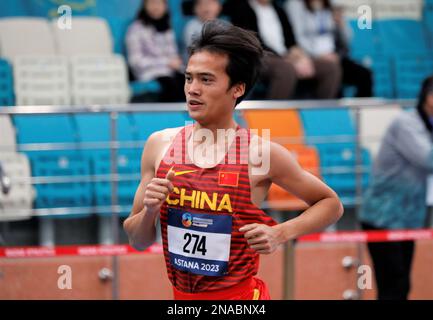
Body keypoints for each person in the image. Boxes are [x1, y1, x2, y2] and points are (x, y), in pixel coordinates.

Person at [123, 20, 343, 300]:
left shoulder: (260, 153)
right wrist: (151, 212)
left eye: (206, 79)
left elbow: (331, 204)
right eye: (189, 78)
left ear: (237, 89)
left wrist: (281, 233)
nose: (192, 89)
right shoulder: (160, 144)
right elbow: (137, 240)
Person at [359, 75, 433, 300]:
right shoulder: (406, 124)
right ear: (429, 98)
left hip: (408, 218)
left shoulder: (427, 124)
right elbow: (428, 159)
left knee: (401, 285)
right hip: (383, 217)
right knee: (394, 286)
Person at [223, 0, 341, 100]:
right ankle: (273, 117)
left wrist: (302, 58)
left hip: (286, 56)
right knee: (285, 69)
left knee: (330, 68)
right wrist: (288, 59)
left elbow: (291, 41)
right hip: (259, 56)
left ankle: (319, 115)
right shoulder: (242, 8)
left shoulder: (279, 9)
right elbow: (253, 41)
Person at [285, 0, 372, 97]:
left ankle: (358, 110)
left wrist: (341, 24)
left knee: (365, 75)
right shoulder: (295, 5)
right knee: (332, 72)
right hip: (310, 58)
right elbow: (297, 38)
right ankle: (325, 110)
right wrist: (319, 55)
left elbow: (348, 39)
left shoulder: (331, 5)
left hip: (335, 56)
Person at [125, 0, 185, 102]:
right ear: (144, 6)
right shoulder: (135, 29)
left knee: (189, 82)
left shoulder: (167, 28)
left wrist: (178, 64)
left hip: (170, 72)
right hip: (148, 74)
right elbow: (135, 61)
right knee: (171, 85)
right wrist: (166, 62)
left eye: (159, 3)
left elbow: (173, 56)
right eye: (152, 3)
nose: (156, 7)